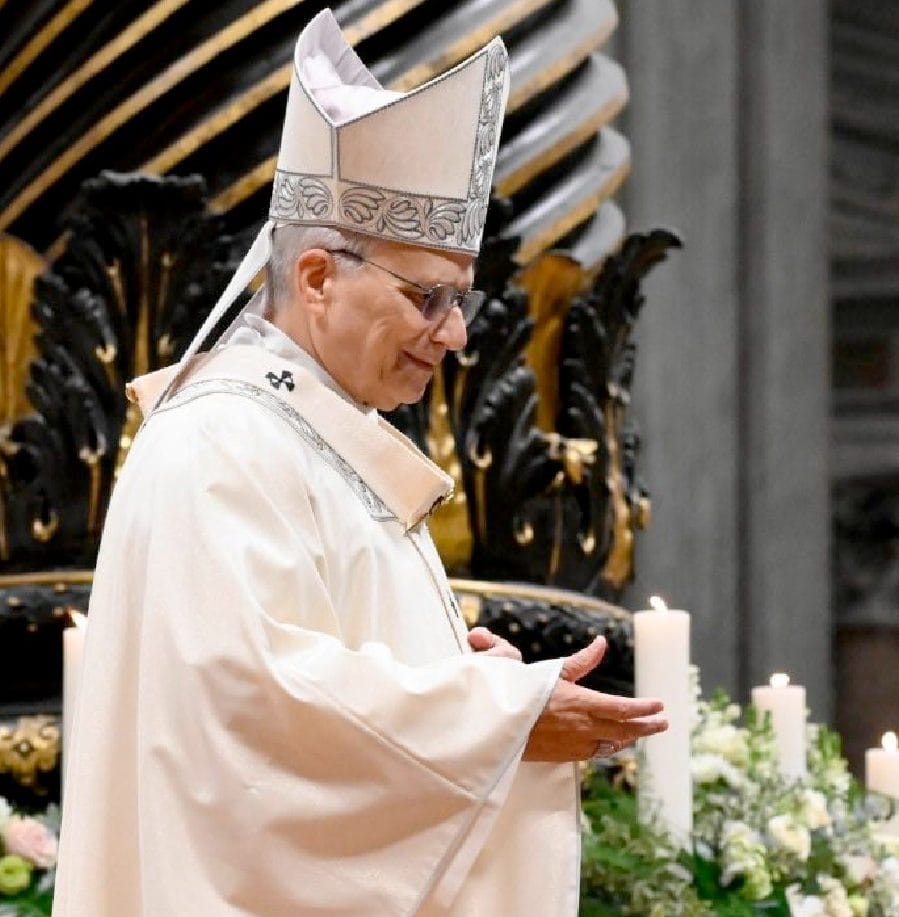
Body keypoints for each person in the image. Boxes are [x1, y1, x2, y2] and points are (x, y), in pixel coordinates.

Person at [53, 11, 666, 915]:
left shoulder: (319, 443)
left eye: (462, 302)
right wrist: (499, 720)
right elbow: (249, 725)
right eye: (429, 297)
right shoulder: (220, 442)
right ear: (316, 278)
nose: (455, 335)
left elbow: (321, 686)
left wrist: (469, 685)